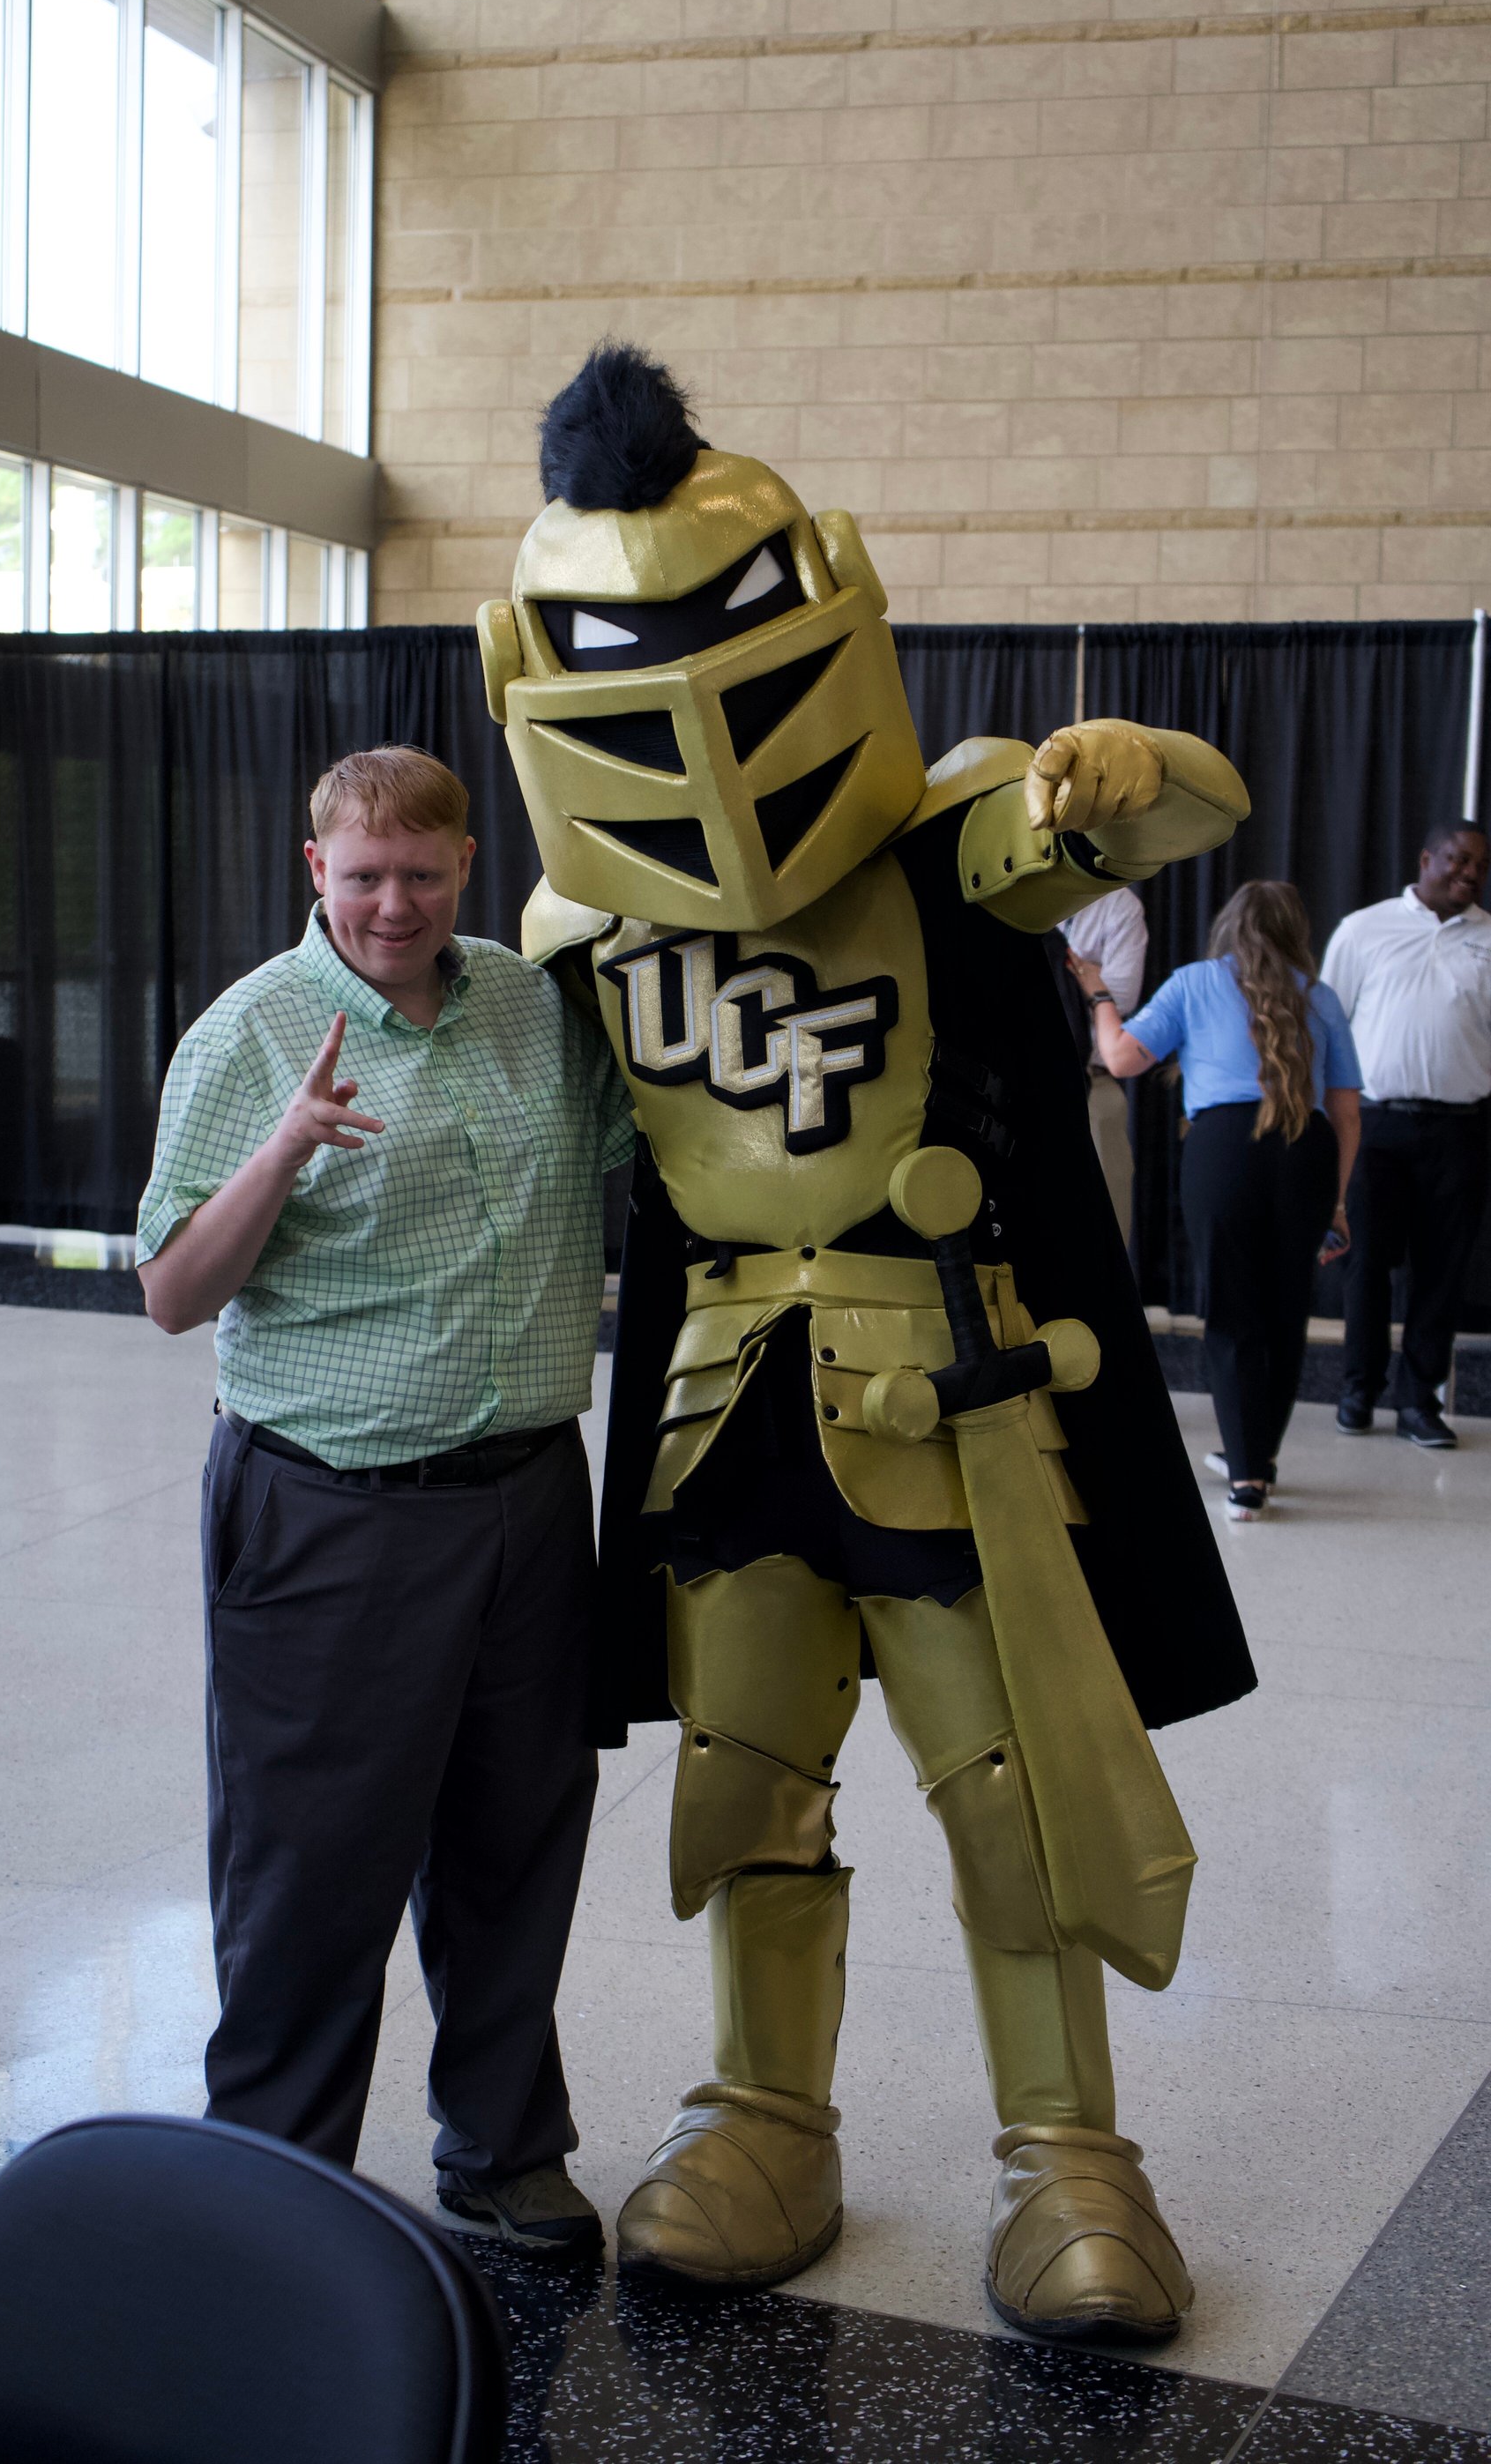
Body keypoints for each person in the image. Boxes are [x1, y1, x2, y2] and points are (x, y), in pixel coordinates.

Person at [479, 343, 1257, 2343]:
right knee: (749, 1780)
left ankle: (1064, 2154)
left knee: (1014, 1786)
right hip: (717, 1387)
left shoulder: (941, 831)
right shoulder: (579, 928)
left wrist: (1112, 765)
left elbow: (1129, 822)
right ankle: (761, 2110)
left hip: (945, 1384)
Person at [135, 744, 632, 2259]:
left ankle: (500, 2148)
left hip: (532, 1500)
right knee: (312, 1866)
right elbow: (171, 1292)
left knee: (514, 1839)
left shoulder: (530, 1006)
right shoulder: (252, 1035)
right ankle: (271, 2177)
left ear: (469, 866)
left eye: (422, 875)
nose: (393, 905)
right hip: (334, 1512)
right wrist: (282, 1148)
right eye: (363, 878)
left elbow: (642, 1147)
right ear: (316, 874)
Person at [1078, 882, 1361, 1522]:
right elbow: (1346, 1113)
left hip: (1224, 1150)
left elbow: (1119, 1058)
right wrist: (1338, 1205)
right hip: (1306, 1150)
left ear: (1229, 927)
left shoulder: (1196, 981)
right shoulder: (1320, 997)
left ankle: (1245, 1480)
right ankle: (1255, 1459)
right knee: (1286, 1315)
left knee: (1231, 1311)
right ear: (1297, 934)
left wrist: (1098, 993)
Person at [1320, 821, 1491, 1449]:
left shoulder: (1490, 939)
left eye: (1480, 866)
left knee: (1442, 1272)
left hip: (1460, 1129)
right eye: (1458, 860)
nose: (1469, 874)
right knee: (1365, 1263)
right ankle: (1357, 1390)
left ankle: (1419, 1402)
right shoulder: (1364, 929)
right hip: (1373, 1126)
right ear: (1428, 857)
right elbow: (1328, 1025)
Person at [1064, 886, 1148, 1239]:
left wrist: (1064, 977)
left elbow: (1123, 995)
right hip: (1025, 1083)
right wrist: (1085, 975)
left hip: (1093, 1084)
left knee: (1106, 1225)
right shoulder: (1019, 895)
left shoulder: (1119, 905)